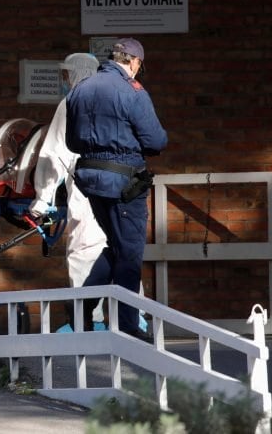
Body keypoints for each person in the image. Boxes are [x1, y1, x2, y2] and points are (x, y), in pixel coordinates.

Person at [65, 38, 167, 341]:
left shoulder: (80, 89)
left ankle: (80, 310)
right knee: (131, 253)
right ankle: (127, 325)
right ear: (134, 62)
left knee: (117, 246)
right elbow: (155, 141)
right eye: (139, 66)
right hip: (124, 183)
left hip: (92, 182)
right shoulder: (132, 92)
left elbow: (73, 142)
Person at [28, 53, 109, 332]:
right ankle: (130, 318)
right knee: (118, 251)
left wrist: (42, 198)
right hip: (122, 188)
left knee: (83, 251)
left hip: (87, 187)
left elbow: (55, 155)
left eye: (66, 75)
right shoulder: (114, 99)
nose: (64, 81)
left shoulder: (72, 103)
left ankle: (85, 323)